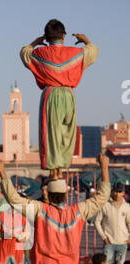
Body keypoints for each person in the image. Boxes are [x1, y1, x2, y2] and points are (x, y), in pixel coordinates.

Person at [20, 19, 98, 180]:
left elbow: (24, 53)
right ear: (64, 35)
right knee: (66, 133)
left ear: (47, 38)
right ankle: (61, 170)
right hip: (69, 95)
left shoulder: (40, 53)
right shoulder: (76, 53)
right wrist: (86, 40)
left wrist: (35, 42)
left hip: (51, 94)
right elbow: (93, 51)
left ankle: (53, 173)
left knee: (51, 134)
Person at [95, 181, 130, 264]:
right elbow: (97, 222)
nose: (117, 194)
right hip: (109, 242)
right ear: (112, 192)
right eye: (115, 191)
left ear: (123, 193)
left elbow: (129, 223)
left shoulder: (126, 206)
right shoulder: (105, 205)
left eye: (120, 192)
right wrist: (103, 237)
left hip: (122, 242)